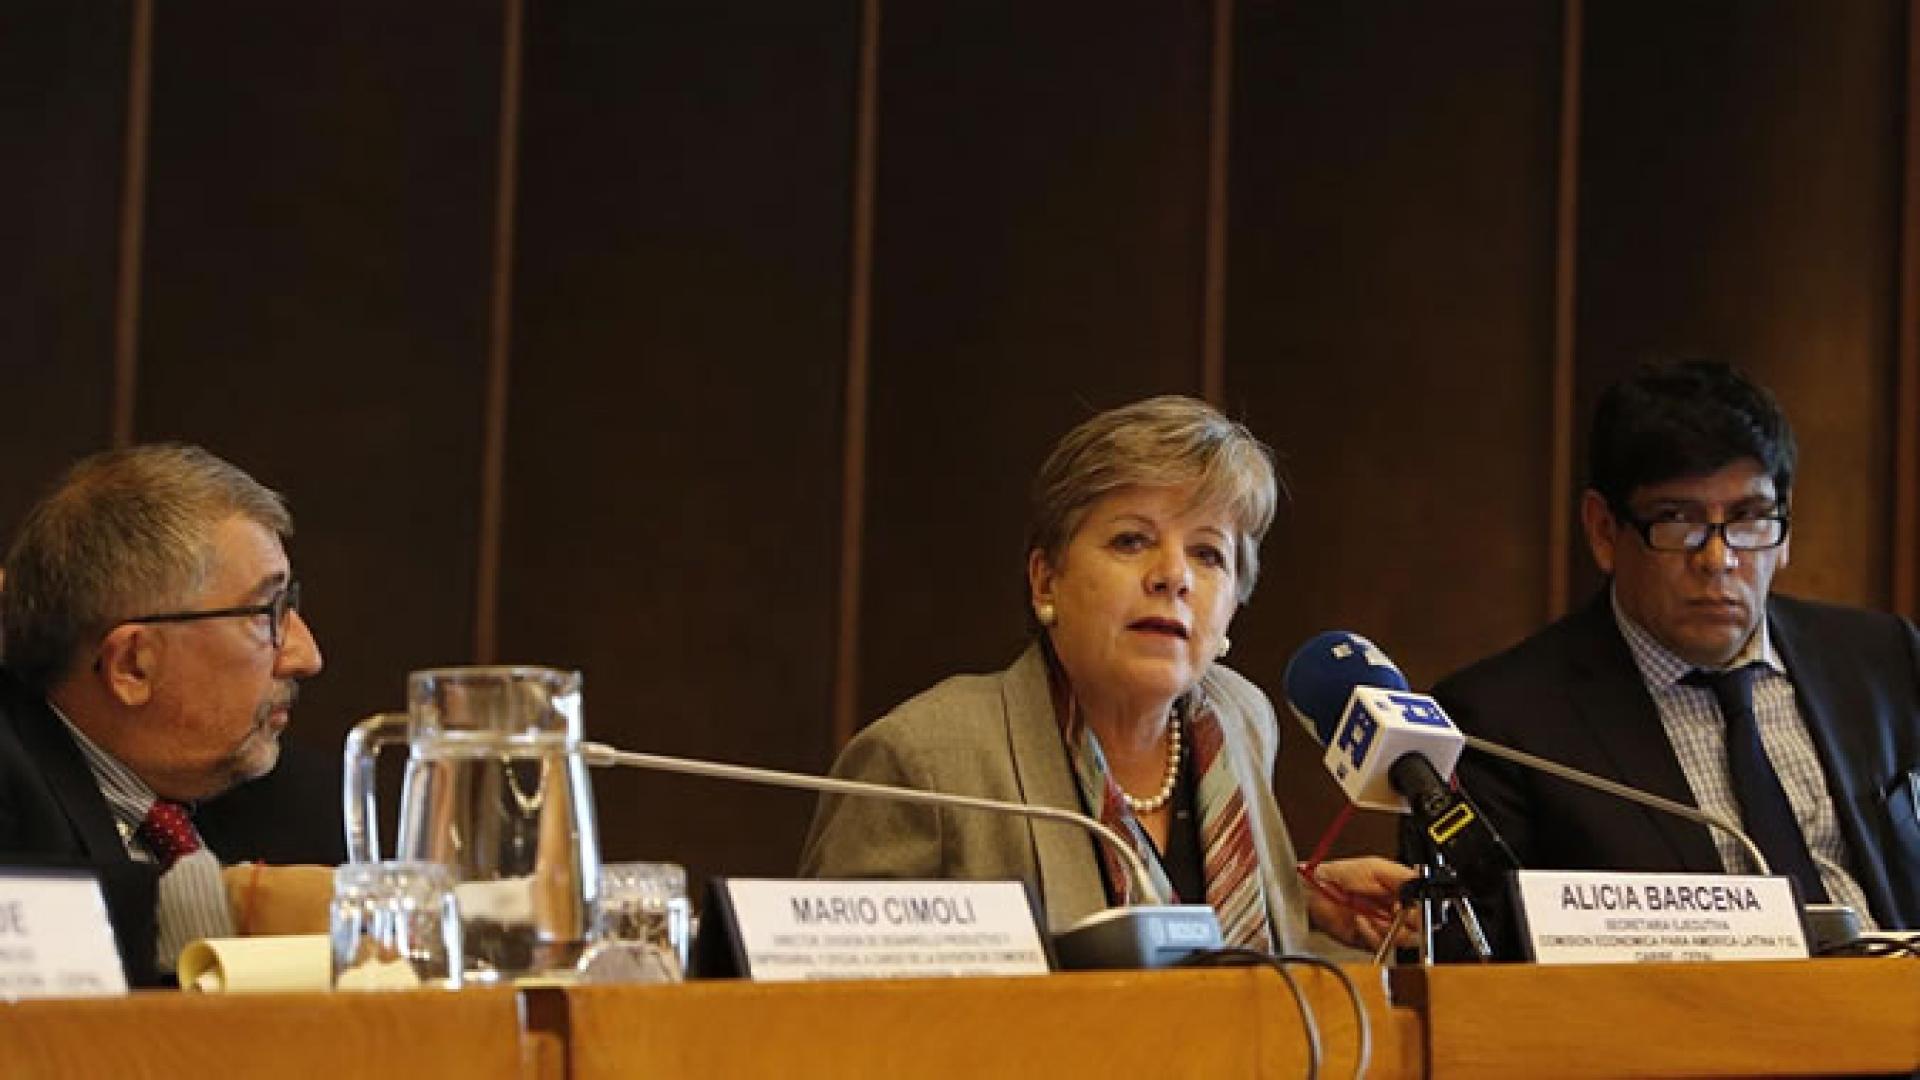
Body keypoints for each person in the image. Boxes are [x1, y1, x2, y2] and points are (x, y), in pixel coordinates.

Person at [801, 396, 1412, 955]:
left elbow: (1202, 929)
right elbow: (837, 1005)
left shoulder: (1240, 717)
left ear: (1233, 602)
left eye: (1207, 553)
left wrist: (1297, 896)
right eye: (1131, 540)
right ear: (1046, 582)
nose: (1173, 576)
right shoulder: (924, 760)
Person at [1437, 359, 1920, 955]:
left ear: (1786, 526)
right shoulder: (1500, 725)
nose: (1717, 560)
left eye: (1748, 520)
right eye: (1677, 521)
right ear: (1604, 531)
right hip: (1679, 1039)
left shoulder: (1883, 661)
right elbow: (1481, 966)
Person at [0, 444, 331, 985]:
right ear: (133, 665)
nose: (305, 654)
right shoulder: (11, 774)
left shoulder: (301, 798)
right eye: (265, 613)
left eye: (289, 603)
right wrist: (234, 906)